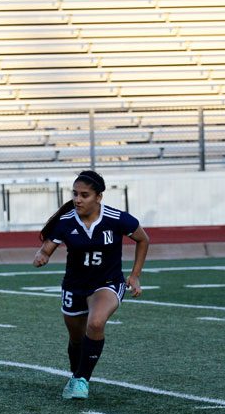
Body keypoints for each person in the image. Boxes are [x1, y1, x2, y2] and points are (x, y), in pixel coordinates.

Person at [32, 170, 150, 400]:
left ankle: (82, 381)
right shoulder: (65, 222)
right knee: (77, 339)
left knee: (95, 324)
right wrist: (41, 256)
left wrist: (135, 275)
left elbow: (143, 239)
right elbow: (46, 248)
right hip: (75, 286)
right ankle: (76, 375)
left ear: (98, 197)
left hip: (107, 282)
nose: (77, 199)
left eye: (84, 195)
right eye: (75, 194)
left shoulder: (117, 219)